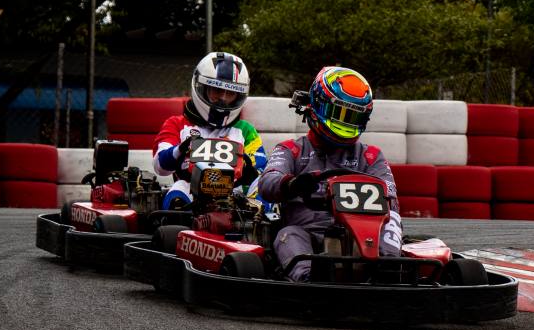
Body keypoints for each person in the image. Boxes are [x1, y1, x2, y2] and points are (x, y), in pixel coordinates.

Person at [257, 66, 402, 281]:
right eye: (340, 113)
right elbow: (267, 182)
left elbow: (389, 196)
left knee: (393, 218)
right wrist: (292, 184)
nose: (345, 122)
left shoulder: (370, 156)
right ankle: (308, 278)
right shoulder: (292, 150)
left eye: (353, 116)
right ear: (319, 105)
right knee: (287, 236)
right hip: (307, 233)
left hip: (361, 236)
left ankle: (388, 268)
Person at [152, 51, 266, 209]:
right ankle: (179, 225)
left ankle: (258, 228)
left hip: (235, 199)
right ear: (201, 88)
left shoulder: (245, 131)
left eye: (231, 93)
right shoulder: (177, 124)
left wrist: (246, 168)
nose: (223, 99)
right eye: (217, 91)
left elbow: (260, 169)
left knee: (264, 184)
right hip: (192, 196)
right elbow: (160, 167)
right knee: (179, 188)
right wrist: (180, 149)